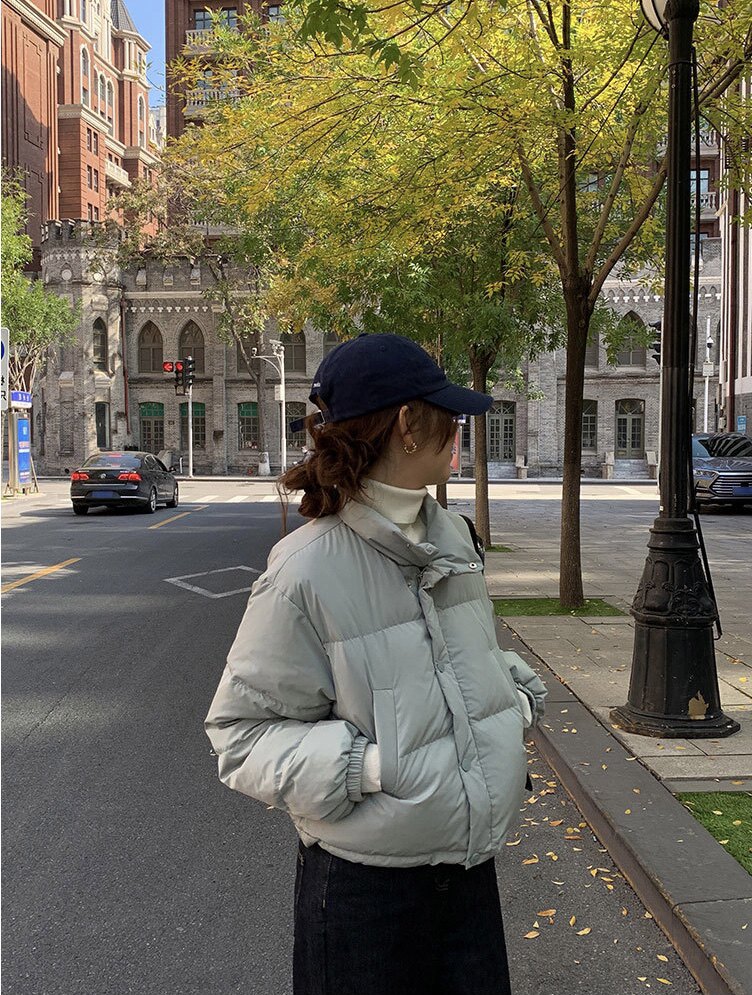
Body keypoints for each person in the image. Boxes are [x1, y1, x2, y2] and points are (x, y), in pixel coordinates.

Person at [205, 333, 548, 995]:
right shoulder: (305, 570)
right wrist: (372, 766)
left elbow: (460, 661)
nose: (461, 428)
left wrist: (512, 704)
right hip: (364, 899)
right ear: (408, 425)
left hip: (469, 877)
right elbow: (239, 736)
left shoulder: (453, 538)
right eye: (447, 413)